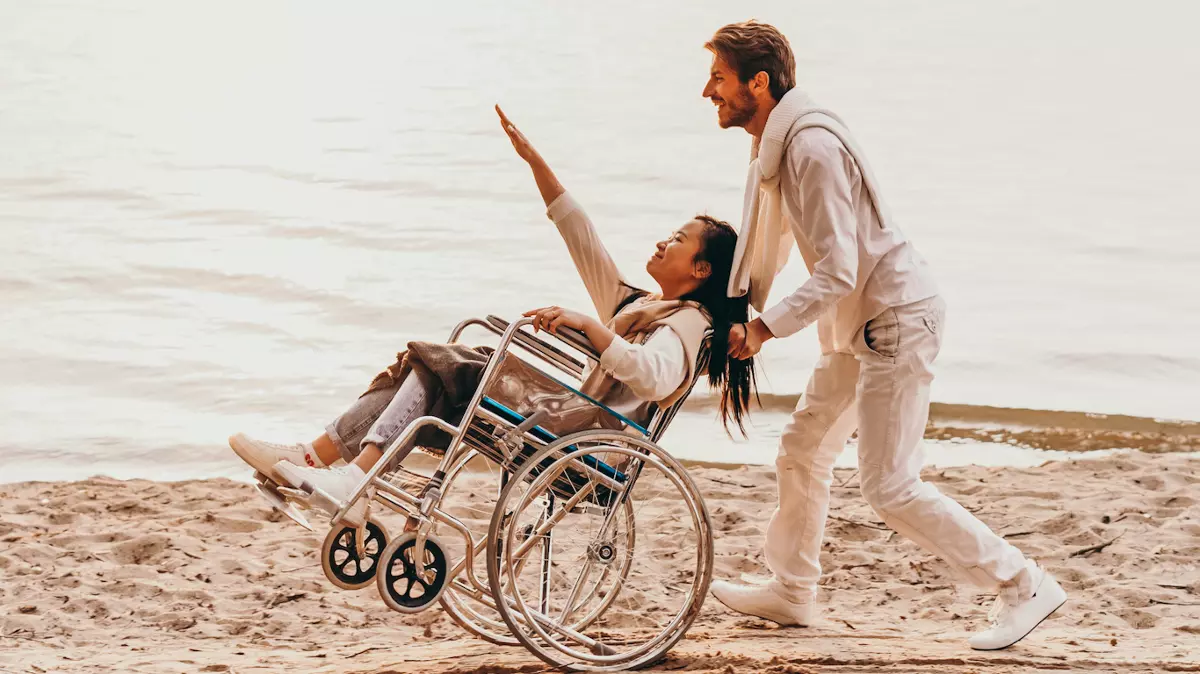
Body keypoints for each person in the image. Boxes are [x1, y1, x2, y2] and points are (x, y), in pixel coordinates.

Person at [700, 21, 1065, 650]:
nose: (708, 91)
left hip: (895, 319)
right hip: (858, 326)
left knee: (889, 485)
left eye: (719, 78)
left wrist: (762, 327)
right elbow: (787, 243)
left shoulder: (810, 150)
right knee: (802, 450)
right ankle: (792, 591)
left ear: (759, 82)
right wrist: (733, 303)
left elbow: (838, 268)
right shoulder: (779, 149)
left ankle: (1023, 584)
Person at [228, 106, 758, 524]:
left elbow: (655, 377)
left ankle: (350, 476)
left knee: (453, 363)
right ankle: (321, 462)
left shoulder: (688, 323)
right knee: (436, 365)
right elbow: (581, 238)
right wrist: (536, 164)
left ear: (703, 269)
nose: (664, 241)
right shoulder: (640, 306)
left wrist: (591, 327)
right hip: (565, 421)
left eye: (678, 240)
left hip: (584, 444)